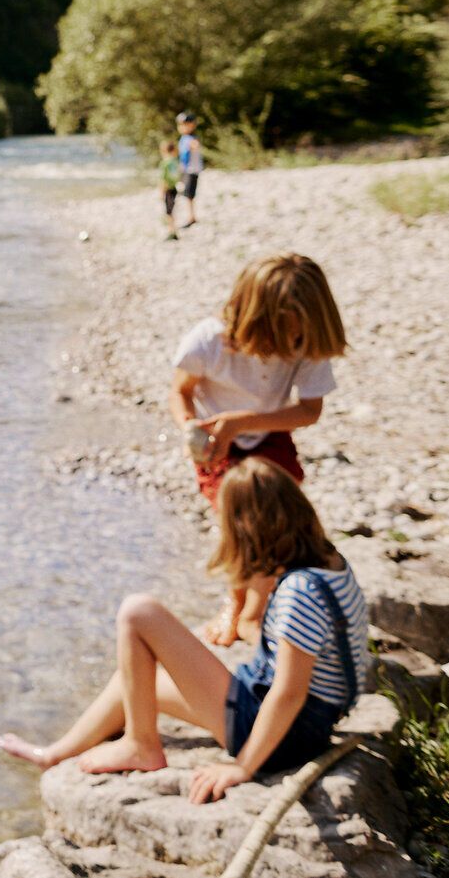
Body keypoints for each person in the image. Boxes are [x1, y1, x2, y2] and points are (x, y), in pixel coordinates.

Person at [0, 458, 369, 802]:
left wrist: (243, 767)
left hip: (285, 739)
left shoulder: (299, 593)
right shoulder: (331, 562)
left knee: (137, 612)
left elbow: (288, 693)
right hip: (305, 728)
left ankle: (141, 746)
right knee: (139, 680)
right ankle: (55, 754)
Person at [171, 253, 345, 643]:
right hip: (217, 441)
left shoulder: (307, 342)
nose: (296, 343)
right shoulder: (209, 341)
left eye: (301, 336)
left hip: (268, 431)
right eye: (290, 334)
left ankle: (259, 603)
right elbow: (181, 392)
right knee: (238, 521)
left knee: (282, 515)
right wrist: (190, 430)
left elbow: (309, 410)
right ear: (258, 318)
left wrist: (244, 422)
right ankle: (238, 601)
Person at [176, 112, 204, 227]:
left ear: (192, 125)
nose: (183, 127)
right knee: (186, 194)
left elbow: (196, 146)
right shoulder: (184, 138)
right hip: (185, 170)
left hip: (191, 170)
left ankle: (192, 217)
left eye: (186, 124)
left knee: (189, 194)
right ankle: (190, 215)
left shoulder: (192, 139)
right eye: (181, 125)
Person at [158, 140, 182, 241]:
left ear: (163, 151)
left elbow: (163, 179)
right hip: (174, 188)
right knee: (171, 210)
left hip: (168, 189)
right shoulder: (175, 162)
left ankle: (172, 231)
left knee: (168, 212)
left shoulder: (165, 163)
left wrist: (161, 192)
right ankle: (173, 230)